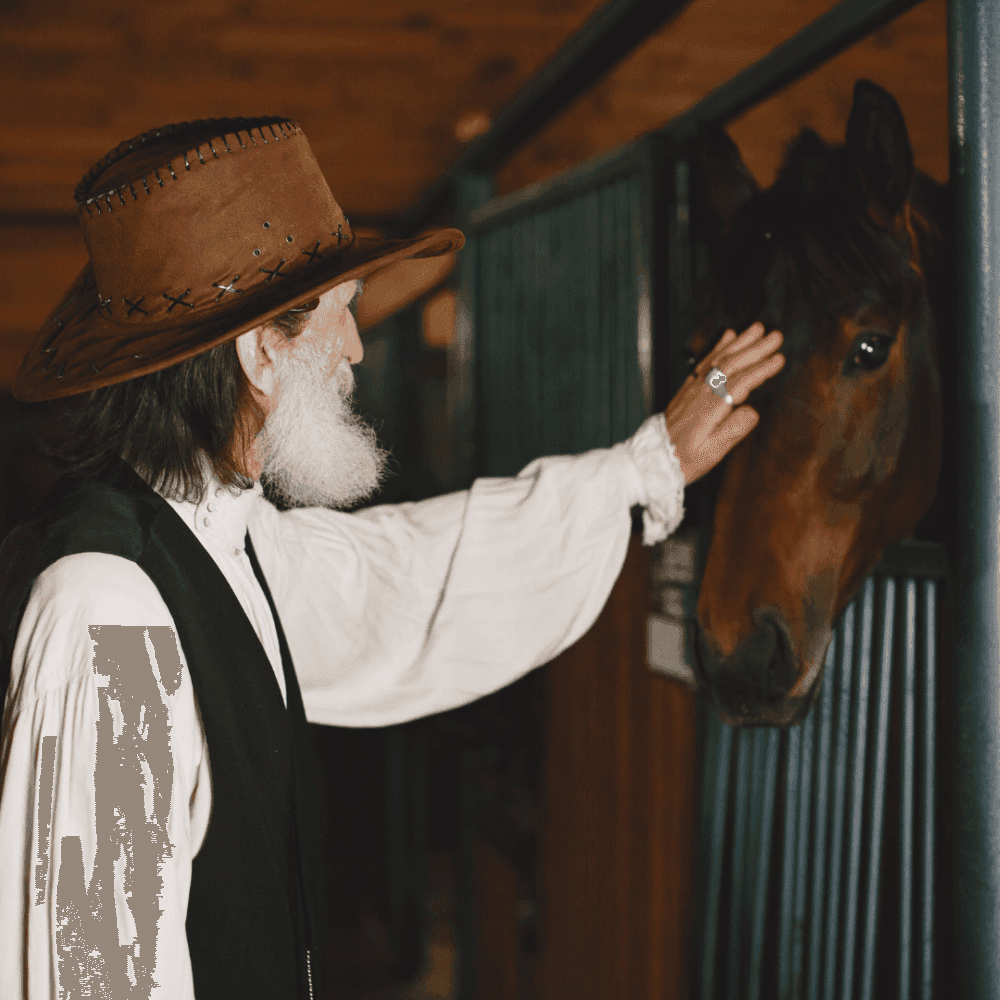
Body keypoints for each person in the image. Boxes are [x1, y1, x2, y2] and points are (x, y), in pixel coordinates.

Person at [0, 116, 784, 1000]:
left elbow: (396, 576)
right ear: (262, 353)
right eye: (342, 312)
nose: (356, 350)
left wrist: (645, 468)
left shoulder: (215, 540)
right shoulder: (109, 614)